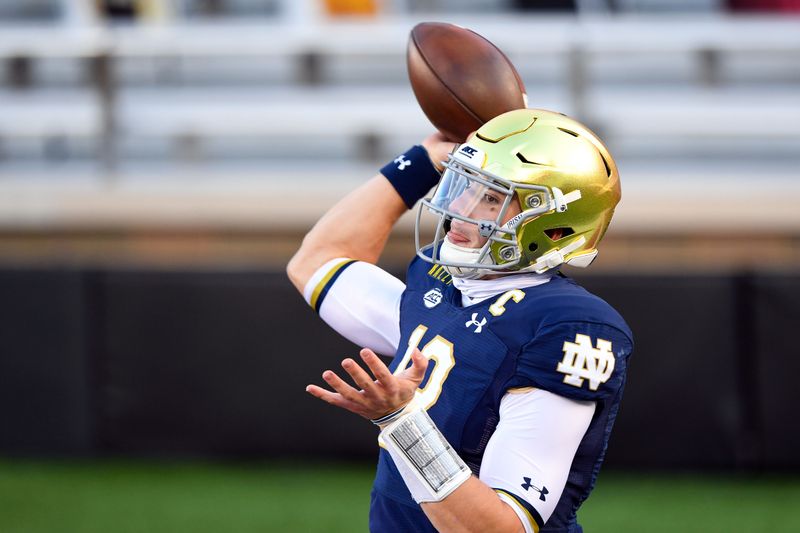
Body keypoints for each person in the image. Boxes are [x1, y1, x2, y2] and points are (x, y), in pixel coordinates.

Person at [287, 108, 633, 533]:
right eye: (465, 184)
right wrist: (420, 162)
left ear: (555, 228)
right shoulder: (443, 283)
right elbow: (316, 261)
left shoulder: (567, 325)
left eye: (492, 198)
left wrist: (402, 421)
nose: (459, 207)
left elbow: (503, 528)